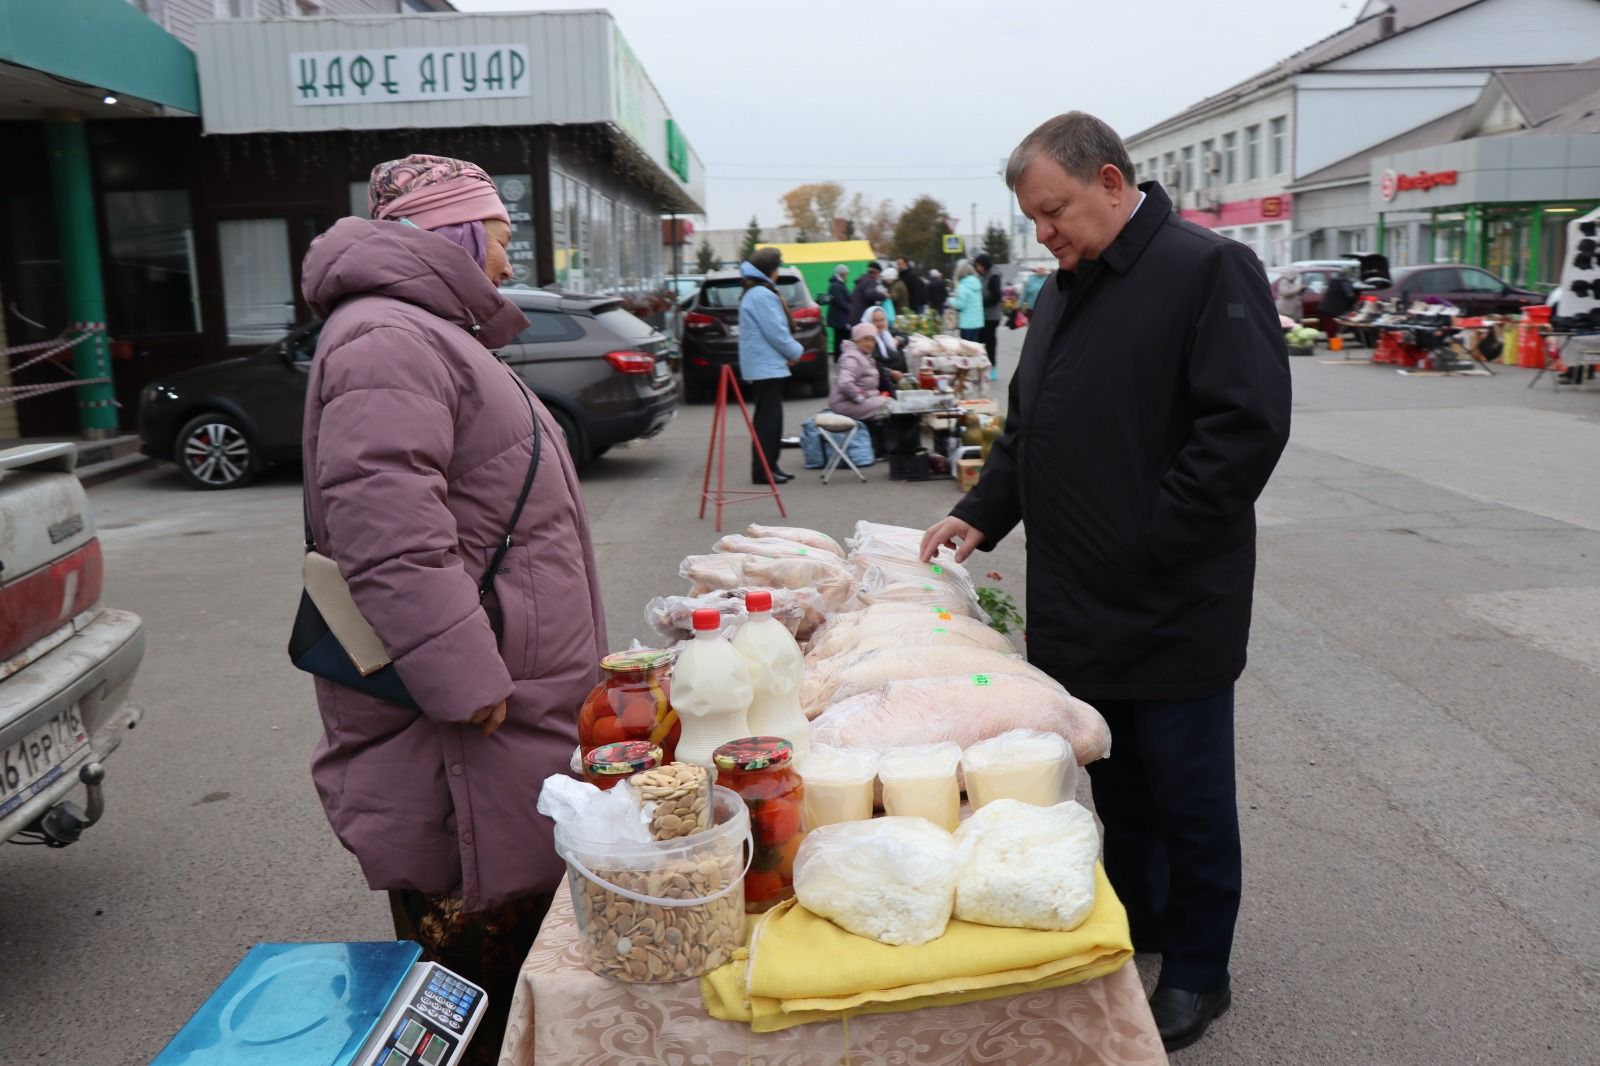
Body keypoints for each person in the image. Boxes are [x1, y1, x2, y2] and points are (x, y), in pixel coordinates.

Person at [920, 112, 1290, 1054]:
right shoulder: (1062, 293)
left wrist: (1153, 538)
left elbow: (1242, 429)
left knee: (1190, 797)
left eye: (1055, 212)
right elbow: (1029, 433)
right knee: (1118, 789)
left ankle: (1201, 973)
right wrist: (980, 511)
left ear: (1114, 184)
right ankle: (1149, 930)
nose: (1045, 233)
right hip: (1078, 600)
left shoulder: (1206, 272)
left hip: (1172, 600)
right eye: (1034, 219)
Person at [301, 153, 609, 1064]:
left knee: (511, 973)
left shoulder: (421, 332)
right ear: (454, 234)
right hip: (469, 722)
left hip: (502, 705)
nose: (509, 267)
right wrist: (463, 680)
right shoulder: (386, 339)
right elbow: (387, 531)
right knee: (471, 989)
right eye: (501, 240)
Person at [738, 247, 803, 485]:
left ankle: (771, 465)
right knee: (768, 421)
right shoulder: (762, 295)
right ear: (771, 270)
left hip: (766, 364)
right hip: (766, 366)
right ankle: (763, 470)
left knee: (772, 420)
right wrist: (795, 351)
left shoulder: (755, 292)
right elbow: (776, 332)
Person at [829, 321, 893, 453]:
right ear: (857, 340)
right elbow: (844, 383)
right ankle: (886, 448)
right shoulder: (852, 358)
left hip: (854, 400)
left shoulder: (863, 356)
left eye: (872, 340)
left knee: (889, 403)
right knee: (889, 405)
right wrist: (859, 396)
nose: (869, 343)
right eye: (865, 339)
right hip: (845, 403)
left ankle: (883, 447)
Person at [974, 252, 1004, 377]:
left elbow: (997, 296)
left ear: (985, 264)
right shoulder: (984, 275)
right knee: (980, 342)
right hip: (983, 315)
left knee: (990, 342)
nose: (978, 268)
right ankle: (982, 366)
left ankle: (992, 368)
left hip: (991, 316)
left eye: (979, 266)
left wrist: (980, 302)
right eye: (976, 266)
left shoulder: (993, 276)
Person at [953, 261, 985, 344]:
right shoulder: (977, 284)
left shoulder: (962, 286)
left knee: (967, 351)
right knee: (974, 349)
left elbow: (960, 305)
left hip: (967, 324)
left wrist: (950, 301)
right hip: (978, 323)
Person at [826, 263, 853, 358]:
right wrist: (851, 309)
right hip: (839, 317)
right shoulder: (836, 285)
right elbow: (840, 302)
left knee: (840, 337)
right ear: (843, 273)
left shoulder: (839, 284)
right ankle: (839, 358)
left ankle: (839, 357)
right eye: (846, 273)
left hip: (840, 316)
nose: (847, 276)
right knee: (840, 338)